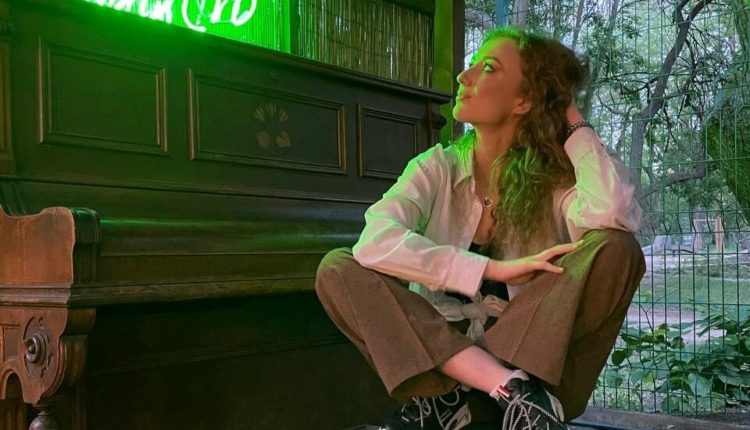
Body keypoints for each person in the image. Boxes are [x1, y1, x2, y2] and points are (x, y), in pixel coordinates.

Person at [315, 27, 646, 430]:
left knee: (618, 249)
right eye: (472, 64)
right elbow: (374, 242)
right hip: (447, 380)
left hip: (529, 369)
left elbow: (613, 213)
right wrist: (492, 269)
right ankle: (504, 389)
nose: (463, 76)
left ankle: (512, 394)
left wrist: (572, 120)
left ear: (524, 100)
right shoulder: (437, 167)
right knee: (337, 267)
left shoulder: (554, 182)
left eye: (487, 67)